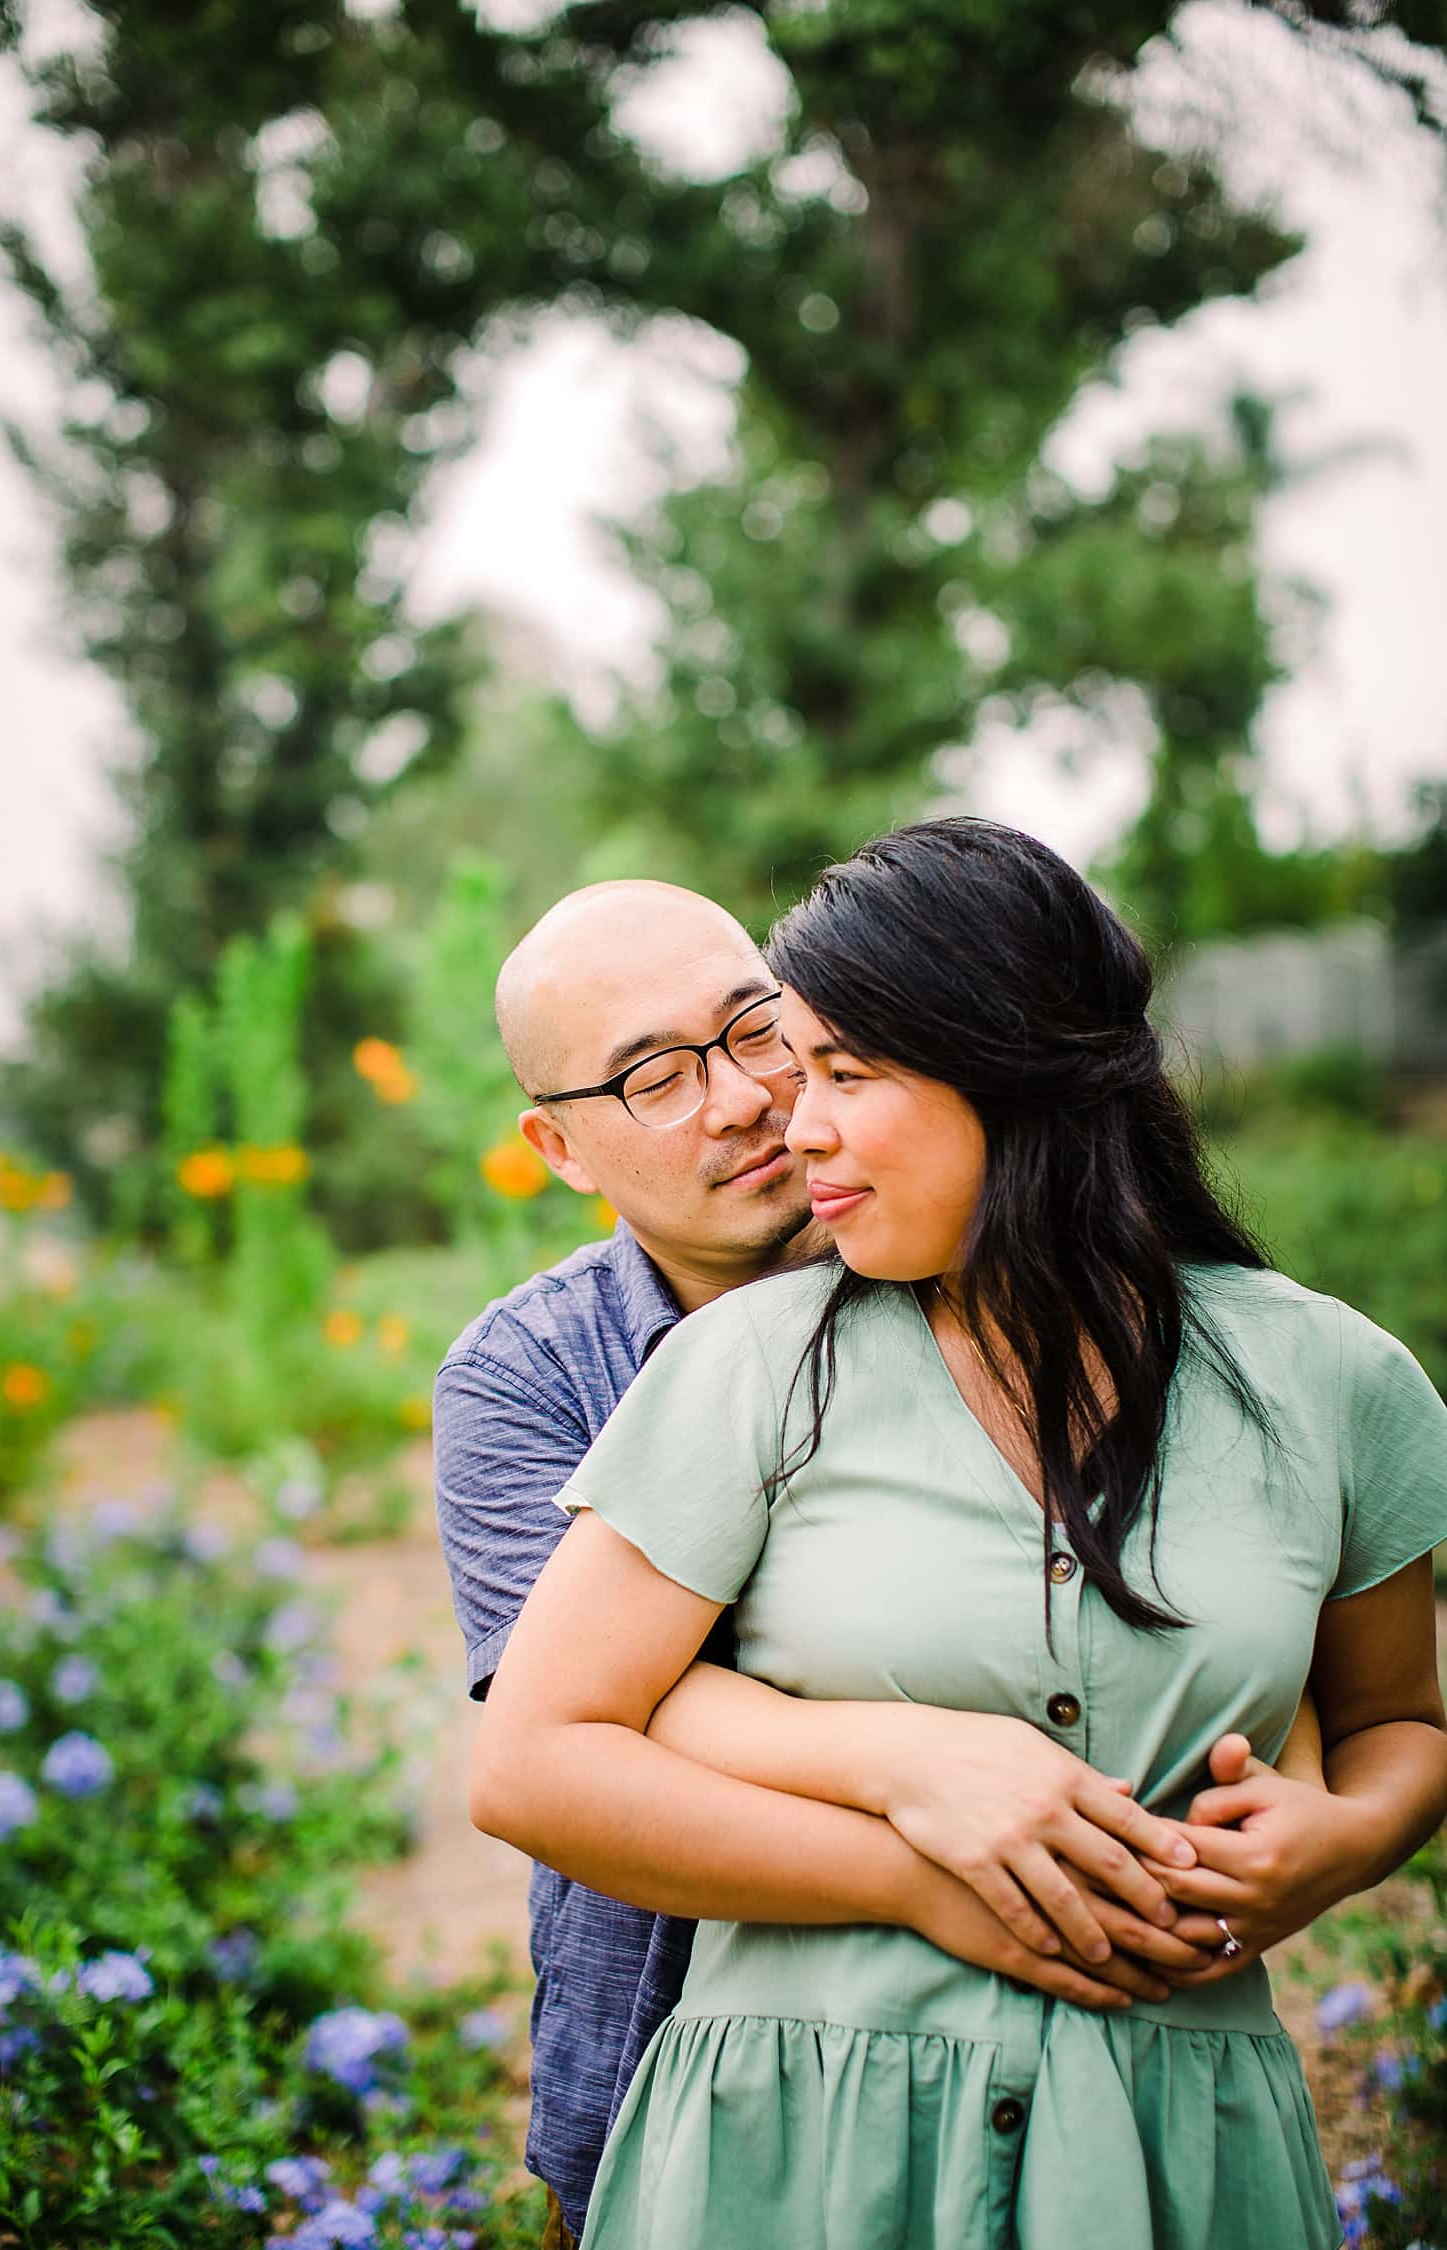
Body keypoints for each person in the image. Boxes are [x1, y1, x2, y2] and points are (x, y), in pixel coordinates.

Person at [468, 826, 1447, 2250]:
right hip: (788, 2130)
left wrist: (1343, 1836)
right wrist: (926, 1801)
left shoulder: (1331, 1379)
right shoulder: (714, 1368)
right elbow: (550, 1740)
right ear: (557, 1142)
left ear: (1009, 1064)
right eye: (656, 1073)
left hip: (1176, 2143)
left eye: (816, 1065)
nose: (776, 1114)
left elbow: (1395, 1717)